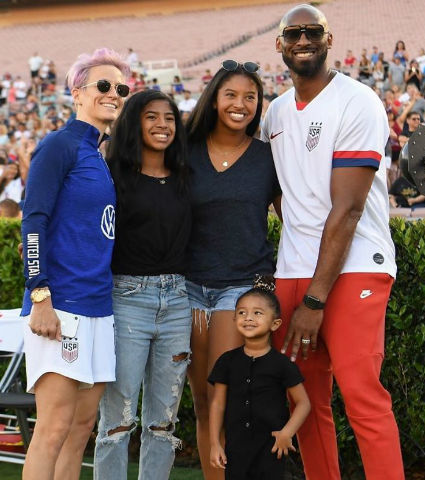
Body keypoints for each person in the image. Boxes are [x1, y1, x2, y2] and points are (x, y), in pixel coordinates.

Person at [261, 5, 404, 479]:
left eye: (312, 31)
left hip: (355, 265)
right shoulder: (275, 112)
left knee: (362, 394)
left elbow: (348, 210)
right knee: (302, 398)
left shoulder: (357, 100)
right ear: (279, 45)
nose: (303, 40)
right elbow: (283, 196)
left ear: (328, 39)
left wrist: (316, 298)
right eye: (293, 33)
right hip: (292, 270)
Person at [20, 47, 128, 480]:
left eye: (120, 88)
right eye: (103, 85)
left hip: (100, 308)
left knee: (82, 429)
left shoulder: (99, 156)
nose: (113, 93)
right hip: (60, 306)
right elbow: (33, 222)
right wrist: (39, 294)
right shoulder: (58, 146)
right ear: (78, 93)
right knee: (53, 428)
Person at [183, 59, 281, 480]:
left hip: (241, 287)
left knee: (225, 395)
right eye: (231, 95)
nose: (240, 104)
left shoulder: (268, 158)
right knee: (202, 400)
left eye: (250, 97)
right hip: (187, 287)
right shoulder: (185, 152)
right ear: (214, 99)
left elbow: (296, 221)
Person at [94, 90, 192, 480]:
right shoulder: (111, 174)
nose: (162, 125)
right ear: (134, 121)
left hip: (179, 301)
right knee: (117, 421)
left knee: (164, 423)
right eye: (152, 117)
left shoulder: (186, 175)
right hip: (126, 300)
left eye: (169, 118)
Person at [208, 287, 310, 479]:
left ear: (275, 323)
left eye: (257, 313)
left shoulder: (282, 365)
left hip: (271, 447)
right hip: (236, 449)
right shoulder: (226, 362)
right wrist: (215, 443)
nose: (248, 317)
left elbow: (304, 403)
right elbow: (218, 404)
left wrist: (287, 433)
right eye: (241, 312)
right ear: (234, 320)